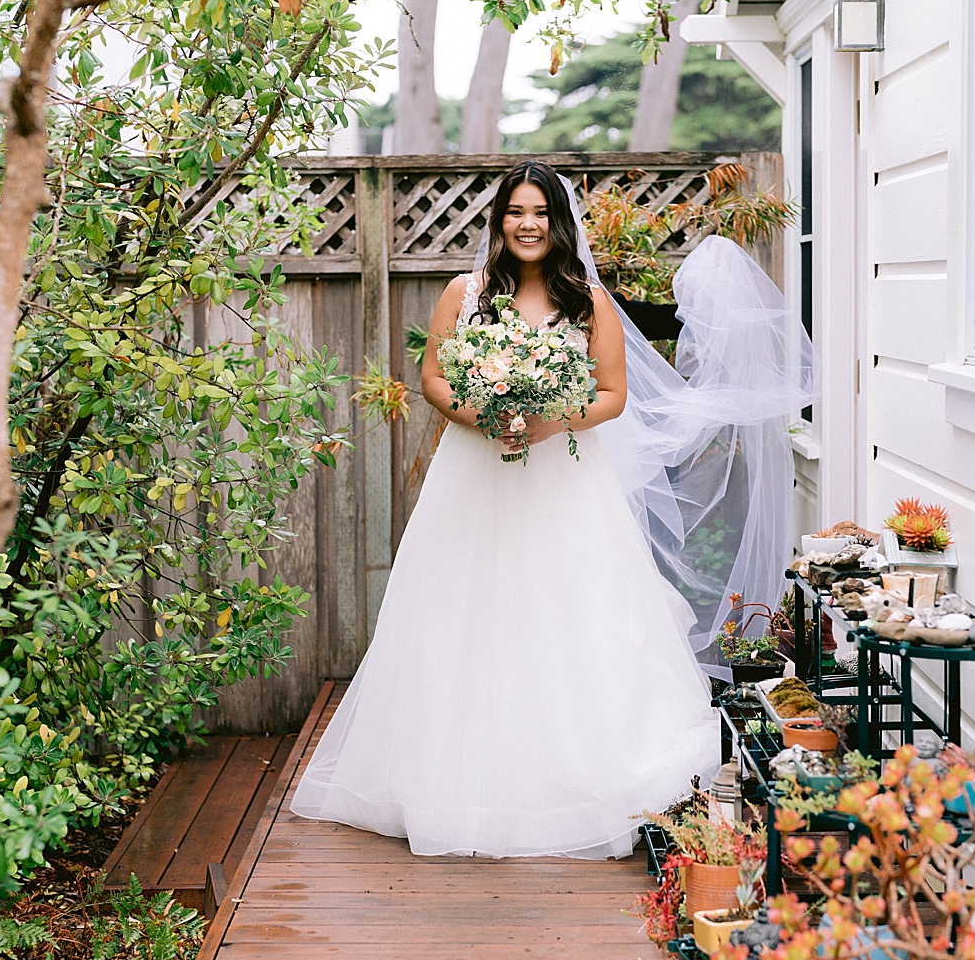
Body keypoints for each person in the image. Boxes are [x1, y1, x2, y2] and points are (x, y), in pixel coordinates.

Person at [289, 160, 722, 860]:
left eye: (541, 212)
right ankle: (448, 777)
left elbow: (611, 393)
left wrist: (550, 417)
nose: (527, 223)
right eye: (515, 211)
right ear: (499, 220)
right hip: (474, 478)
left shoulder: (585, 302)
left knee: (569, 614)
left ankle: (573, 774)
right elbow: (432, 375)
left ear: (557, 224)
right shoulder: (467, 293)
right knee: (463, 615)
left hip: (564, 480)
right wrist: (481, 414)